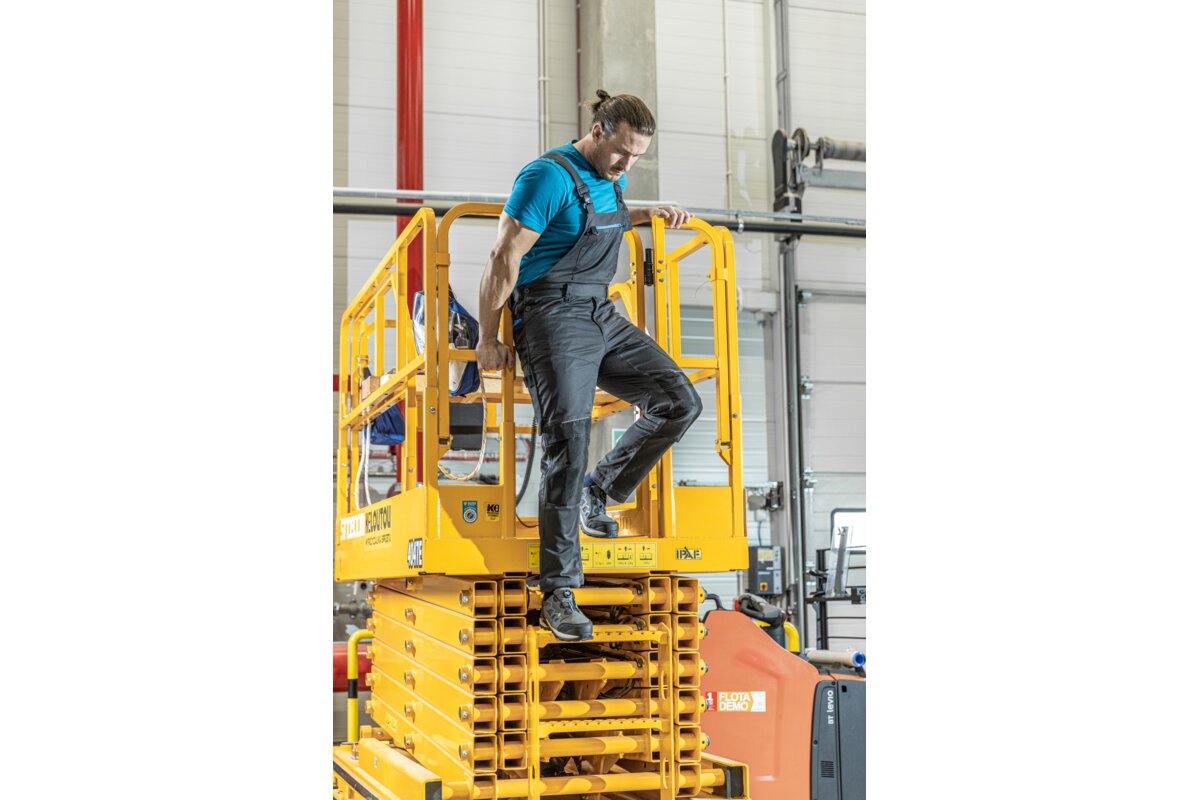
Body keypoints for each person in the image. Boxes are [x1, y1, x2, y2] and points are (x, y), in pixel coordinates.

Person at [476, 90, 702, 642]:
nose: (627, 164)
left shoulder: (611, 175)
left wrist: (648, 211)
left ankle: (598, 490)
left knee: (679, 400)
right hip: (551, 314)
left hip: (600, 310)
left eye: (638, 156)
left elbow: (603, 214)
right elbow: (504, 256)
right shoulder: (545, 176)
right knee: (568, 440)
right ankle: (558, 591)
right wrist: (487, 337)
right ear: (597, 131)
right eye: (622, 151)